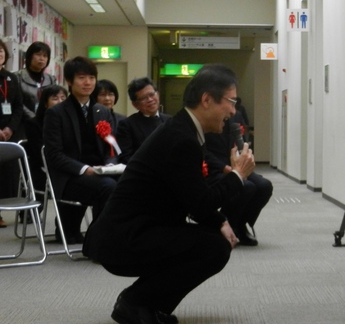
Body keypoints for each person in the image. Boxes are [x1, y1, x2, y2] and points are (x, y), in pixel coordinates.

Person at [82, 64, 255, 324]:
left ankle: (149, 306)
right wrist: (238, 176)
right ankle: (135, 302)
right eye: (231, 101)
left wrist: (220, 221)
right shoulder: (181, 138)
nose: (233, 111)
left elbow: (190, 195)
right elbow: (200, 203)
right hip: (125, 239)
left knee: (212, 240)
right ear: (207, 100)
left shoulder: (183, 130)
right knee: (213, 248)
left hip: (134, 231)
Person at [43, 56, 119, 244]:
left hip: (100, 172)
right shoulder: (56, 113)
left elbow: (112, 147)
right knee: (108, 187)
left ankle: (116, 238)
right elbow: (54, 155)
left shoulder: (102, 110)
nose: (88, 83)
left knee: (128, 181)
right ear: (69, 81)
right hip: (70, 176)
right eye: (82, 78)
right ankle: (99, 242)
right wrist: (86, 169)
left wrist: (111, 165)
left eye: (92, 78)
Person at [203, 118, 273, 246]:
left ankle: (241, 223)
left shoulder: (232, 124)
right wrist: (225, 168)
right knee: (246, 187)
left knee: (264, 186)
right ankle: (225, 223)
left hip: (235, 166)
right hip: (215, 170)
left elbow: (239, 147)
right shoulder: (206, 122)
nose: (232, 110)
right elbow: (203, 152)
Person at [23, 85, 68, 194]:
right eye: (55, 98)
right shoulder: (33, 123)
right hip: (42, 167)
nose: (60, 102)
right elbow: (39, 153)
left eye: (63, 98)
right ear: (45, 103)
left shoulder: (69, 123)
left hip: (66, 165)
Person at [116, 77, 170, 163]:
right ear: (135, 105)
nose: (150, 100)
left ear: (158, 95)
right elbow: (125, 157)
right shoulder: (127, 125)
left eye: (152, 95)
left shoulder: (170, 121)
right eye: (144, 98)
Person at [0, 39, 24, 228]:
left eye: (1, 51)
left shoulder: (11, 78)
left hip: (9, 133)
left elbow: (18, 106)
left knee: (7, 176)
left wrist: (10, 128)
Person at [16, 41, 57, 122]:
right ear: (29, 56)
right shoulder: (17, 77)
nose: (42, 58)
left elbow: (54, 100)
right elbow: (17, 102)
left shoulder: (51, 79)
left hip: (46, 122)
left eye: (45, 56)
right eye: (38, 54)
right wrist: (34, 118)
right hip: (23, 123)